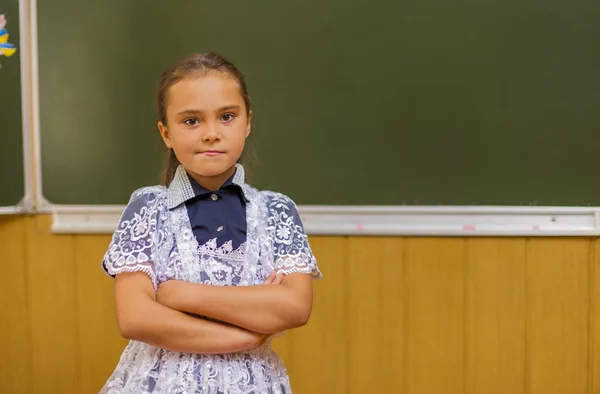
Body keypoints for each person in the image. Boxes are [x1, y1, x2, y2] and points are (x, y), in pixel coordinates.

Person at [100, 52, 321, 393]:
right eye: (191, 121)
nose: (211, 133)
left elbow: (295, 307)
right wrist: (245, 336)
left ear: (248, 122)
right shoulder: (149, 207)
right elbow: (135, 317)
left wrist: (179, 294)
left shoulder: (276, 211)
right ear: (166, 133)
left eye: (227, 117)